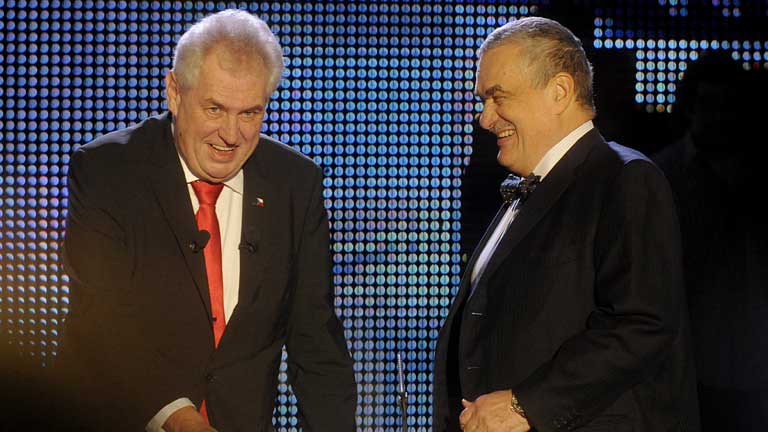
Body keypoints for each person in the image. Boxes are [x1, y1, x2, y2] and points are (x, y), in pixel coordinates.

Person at [56, 10, 356, 432]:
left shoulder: (294, 184)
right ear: (175, 93)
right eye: (215, 109)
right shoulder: (108, 172)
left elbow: (316, 342)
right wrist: (181, 420)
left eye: (250, 113)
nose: (231, 135)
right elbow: (103, 322)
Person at [432, 17, 699, 432]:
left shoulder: (624, 179)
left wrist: (524, 406)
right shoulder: (528, 188)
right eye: (483, 100)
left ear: (559, 91)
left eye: (498, 97)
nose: (485, 118)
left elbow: (642, 324)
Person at [653, 51, 768, 431]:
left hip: (753, 362)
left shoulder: (756, 172)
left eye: (727, 105)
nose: (719, 116)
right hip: (685, 358)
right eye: (708, 104)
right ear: (690, 107)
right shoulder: (662, 175)